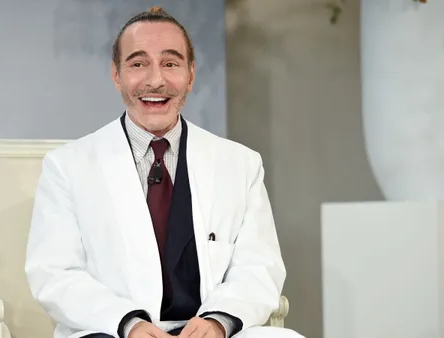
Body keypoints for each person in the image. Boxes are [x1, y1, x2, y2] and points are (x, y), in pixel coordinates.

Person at [25, 6, 303, 338]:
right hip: (112, 331)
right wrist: (129, 323)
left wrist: (218, 321)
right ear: (117, 75)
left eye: (170, 64)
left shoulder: (240, 164)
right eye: (138, 64)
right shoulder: (67, 167)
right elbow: (55, 274)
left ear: (191, 74)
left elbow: (260, 268)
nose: (156, 80)